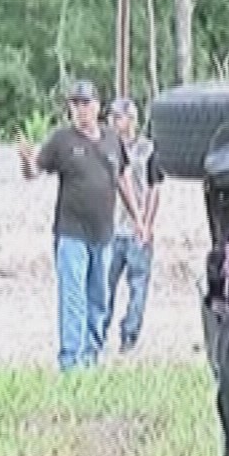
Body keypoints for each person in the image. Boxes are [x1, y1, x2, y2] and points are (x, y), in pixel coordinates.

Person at [17, 80, 140, 371]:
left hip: (103, 233)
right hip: (71, 232)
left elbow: (123, 178)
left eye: (85, 103)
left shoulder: (112, 140)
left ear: (97, 106)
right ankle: (71, 362)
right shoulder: (62, 141)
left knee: (99, 297)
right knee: (73, 298)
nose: (80, 109)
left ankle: (91, 356)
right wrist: (26, 161)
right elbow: (34, 172)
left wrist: (138, 217)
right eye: (75, 104)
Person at [101, 96, 162, 354]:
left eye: (118, 117)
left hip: (136, 231)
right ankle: (99, 334)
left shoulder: (147, 150)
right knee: (104, 287)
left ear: (131, 120)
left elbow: (154, 188)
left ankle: (130, 336)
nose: (113, 122)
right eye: (112, 117)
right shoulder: (106, 149)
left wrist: (146, 224)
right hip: (110, 229)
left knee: (138, 288)